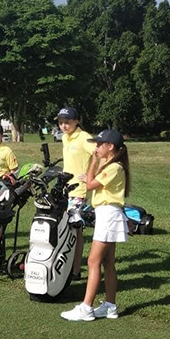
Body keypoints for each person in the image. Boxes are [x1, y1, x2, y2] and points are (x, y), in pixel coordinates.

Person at [61, 129, 130, 322]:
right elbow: (93, 181)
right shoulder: (111, 166)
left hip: (108, 215)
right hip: (108, 215)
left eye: (100, 145)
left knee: (93, 261)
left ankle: (86, 307)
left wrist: (92, 162)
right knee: (108, 263)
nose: (96, 147)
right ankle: (110, 306)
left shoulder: (114, 167)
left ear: (111, 147)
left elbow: (90, 184)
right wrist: (96, 164)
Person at [58, 107, 96, 279]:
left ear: (76, 121)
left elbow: (100, 154)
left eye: (67, 122)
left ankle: (75, 270)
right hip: (66, 189)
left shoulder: (84, 137)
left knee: (74, 229)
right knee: (68, 229)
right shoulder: (66, 138)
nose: (64, 126)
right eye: (61, 122)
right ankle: (69, 266)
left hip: (78, 190)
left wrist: (90, 175)